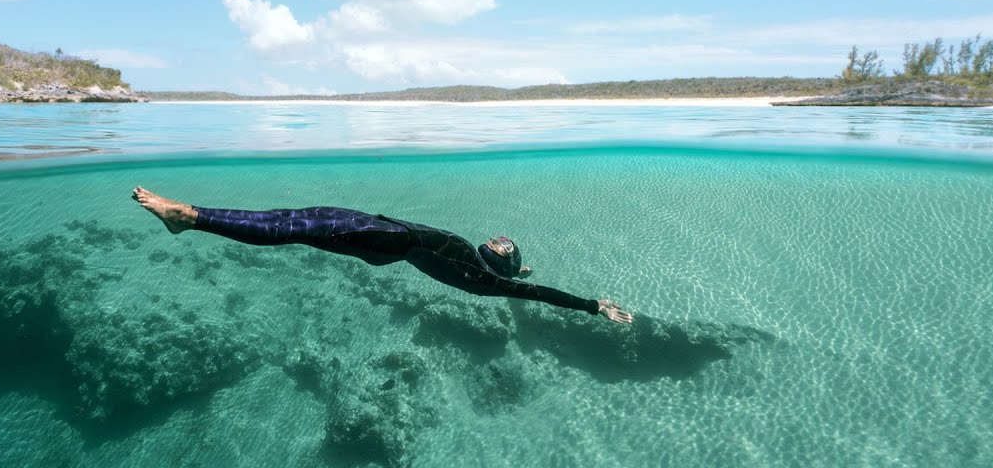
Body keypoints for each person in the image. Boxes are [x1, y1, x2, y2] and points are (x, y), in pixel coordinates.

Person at [132, 186, 633, 323]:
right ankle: (191, 218)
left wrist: (593, 305)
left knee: (289, 227)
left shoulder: (490, 281)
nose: (502, 238)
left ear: (499, 264)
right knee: (292, 217)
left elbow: (540, 294)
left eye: (506, 246)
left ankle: (189, 217)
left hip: (382, 240)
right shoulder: (487, 269)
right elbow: (521, 274)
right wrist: (514, 264)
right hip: (383, 231)